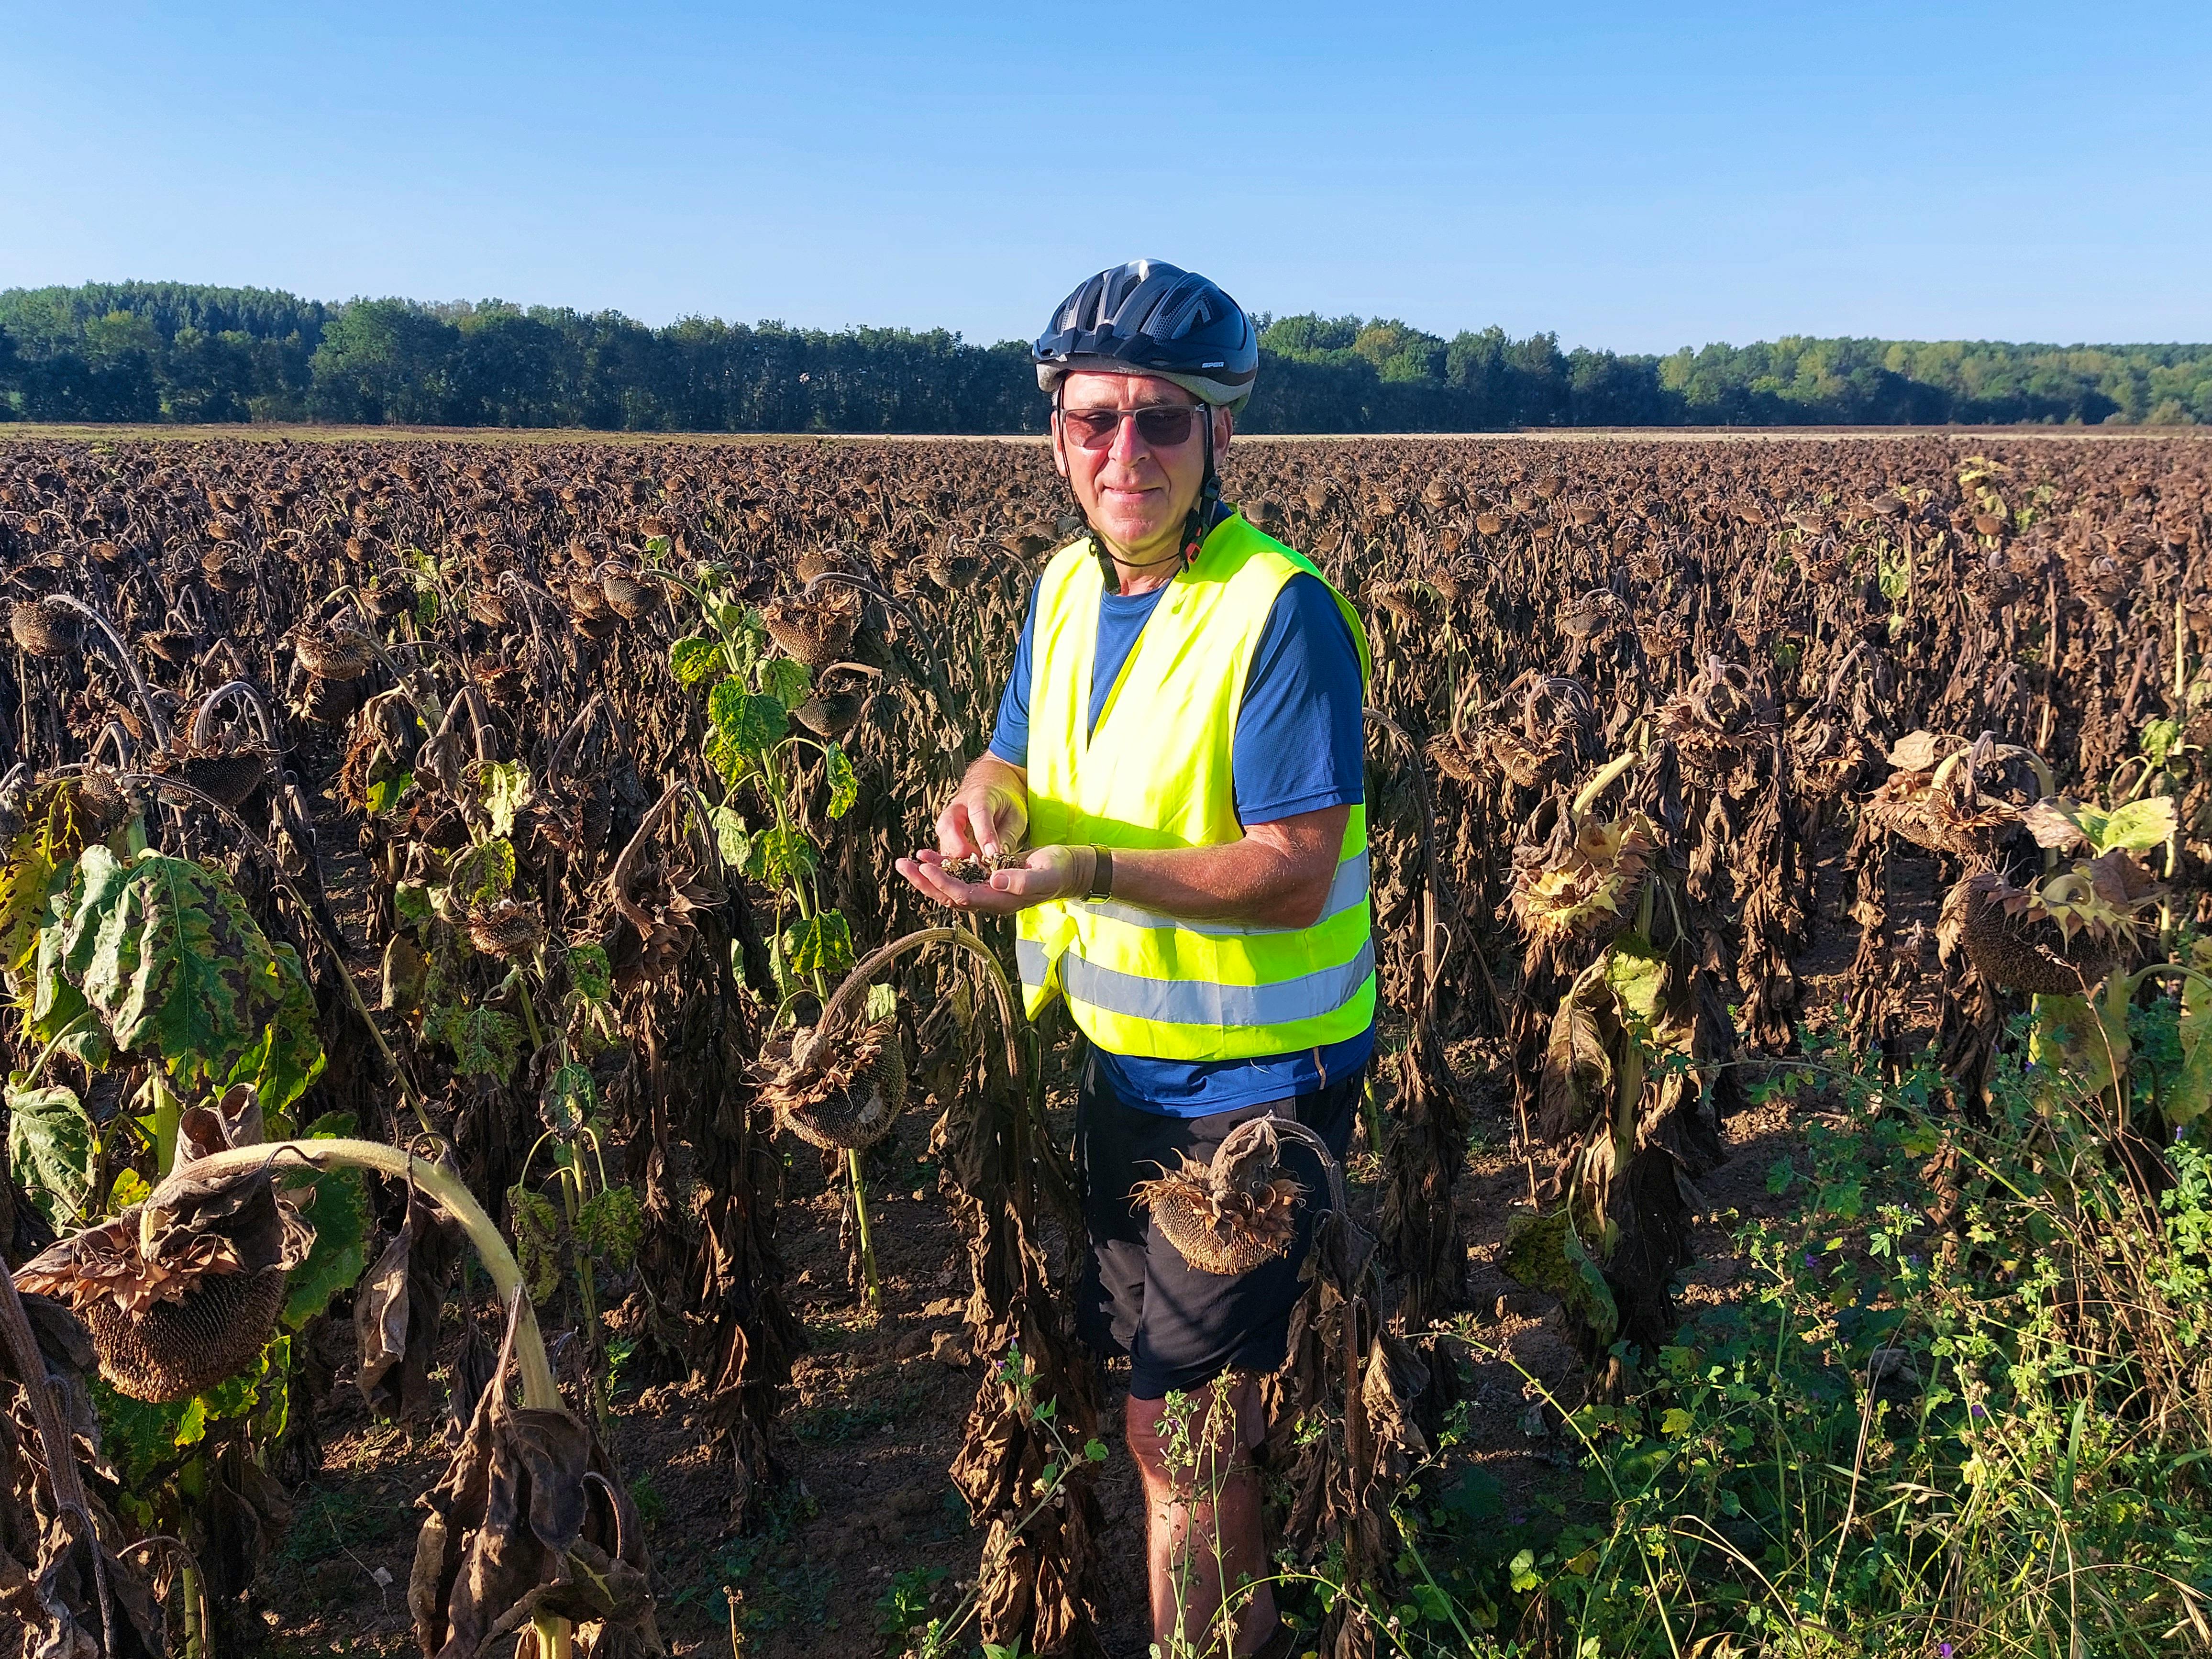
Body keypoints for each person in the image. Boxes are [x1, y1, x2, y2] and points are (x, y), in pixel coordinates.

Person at [896, 260, 1373, 1659]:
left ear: (1222, 433)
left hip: (1253, 1096)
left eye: (1160, 420)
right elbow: (1017, 749)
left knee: (1184, 1432)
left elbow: (1295, 871)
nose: (1124, 453)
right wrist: (986, 799)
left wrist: (1088, 871)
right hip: (1127, 1078)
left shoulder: (1279, 613)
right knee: (1165, 1416)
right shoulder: (1061, 589)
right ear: (1055, 431)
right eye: (1093, 419)